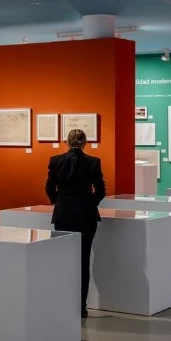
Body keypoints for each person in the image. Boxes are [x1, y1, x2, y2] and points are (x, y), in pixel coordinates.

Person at [45, 128, 106, 318]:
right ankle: (81, 307)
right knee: (83, 260)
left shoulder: (56, 160)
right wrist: (89, 203)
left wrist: (59, 202)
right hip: (86, 215)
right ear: (85, 142)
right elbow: (101, 190)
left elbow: (49, 188)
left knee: (64, 259)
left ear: (67, 141)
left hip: (63, 214)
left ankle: (65, 303)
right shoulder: (93, 162)